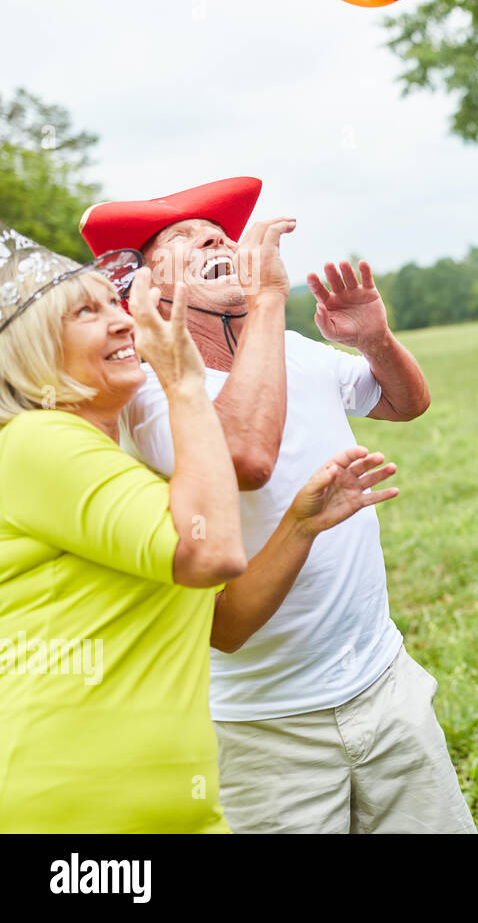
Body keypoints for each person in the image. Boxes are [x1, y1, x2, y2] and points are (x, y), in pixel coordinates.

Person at [80, 178, 475, 834]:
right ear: (149, 293)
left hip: (384, 683)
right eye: (185, 241)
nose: (216, 240)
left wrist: (375, 337)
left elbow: (407, 403)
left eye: (220, 236)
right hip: (265, 726)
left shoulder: (291, 351)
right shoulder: (153, 390)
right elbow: (244, 456)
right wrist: (267, 296)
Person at [0, 225, 397, 832]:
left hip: (179, 804)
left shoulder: (114, 458)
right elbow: (212, 545)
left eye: (117, 302)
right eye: (87, 310)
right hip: (77, 808)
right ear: (33, 350)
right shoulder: (36, 443)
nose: (123, 320)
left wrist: (299, 525)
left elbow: (225, 622)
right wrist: (185, 381)